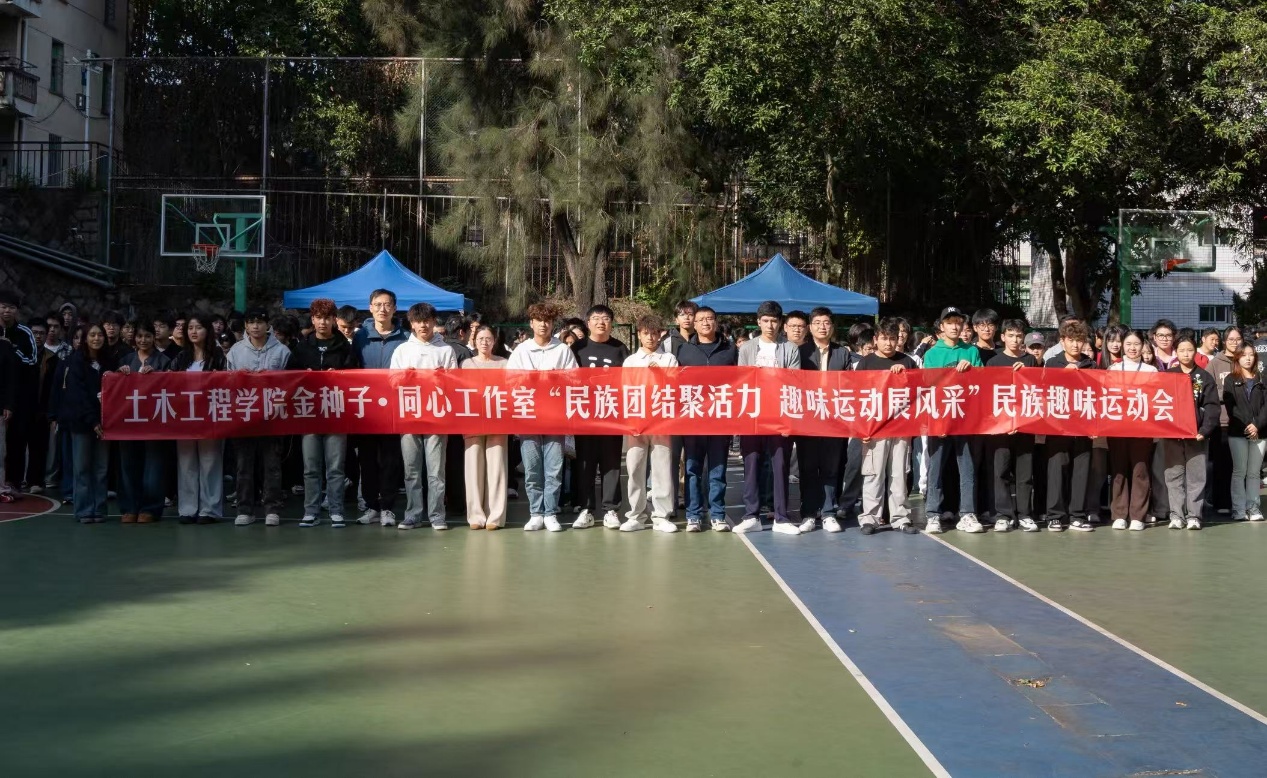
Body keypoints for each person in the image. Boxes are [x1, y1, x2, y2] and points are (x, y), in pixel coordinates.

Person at [508, 303, 578, 531]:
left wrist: (558, 378)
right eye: (539, 320)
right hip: (528, 417)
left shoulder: (562, 350)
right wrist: (528, 378)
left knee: (554, 468)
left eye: (547, 321)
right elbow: (509, 381)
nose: (543, 324)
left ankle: (550, 513)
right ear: (531, 323)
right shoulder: (522, 351)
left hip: (555, 418)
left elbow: (575, 379)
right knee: (532, 467)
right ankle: (535, 513)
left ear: (553, 324)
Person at [736, 300, 803, 534]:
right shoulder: (747, 348)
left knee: (780, 465)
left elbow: (794, 381)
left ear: (780, 323)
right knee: (751, 464)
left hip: (779, 415)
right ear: (758, 322)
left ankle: (781, 518)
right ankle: (751, 515)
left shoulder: (790, 348)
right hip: (753, 415)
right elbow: (742, 380)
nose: (770, 325)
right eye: (765, 321)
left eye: (774, 321)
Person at [391, 302, 459, 531]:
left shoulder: (446, 350)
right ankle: (413, 514)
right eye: (418, 321)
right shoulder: (402, 350)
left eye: (427, 321)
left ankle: (437, 515)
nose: (423, 325)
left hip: (437, 417)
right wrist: (405, 377)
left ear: (433, 322)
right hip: (409, 416)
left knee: (436, 470)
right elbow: (391, 382)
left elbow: (456, 384)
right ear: (411, 324)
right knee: (411, 470)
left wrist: (443, 379)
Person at [288, 298, 357, 528]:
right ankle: (311, 511)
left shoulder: (345, 346)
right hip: (309, 415)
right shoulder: (302, 347)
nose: (323, 322)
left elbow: (355, 375)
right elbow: (289, 376)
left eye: (327, 318)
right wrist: (303, 375)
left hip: (336, 414)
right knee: (311, 467)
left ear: (334, 320)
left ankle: (336, 510)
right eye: (318, 318)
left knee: (336, 467)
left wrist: (339, 375)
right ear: (312, 319)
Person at [920, 307, 983, 534]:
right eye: (950, 322)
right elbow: (928, 387)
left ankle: (967, 514)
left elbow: (983, 383)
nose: (955, 326)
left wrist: (971, 370)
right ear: (942, 327)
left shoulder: (971, 351)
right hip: (939, 419)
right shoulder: (932, 354)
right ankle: (932, 515)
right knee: (935, 469)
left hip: (965, 420)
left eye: (958, 322)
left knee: (967, 468)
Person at [227, 307, 291, 526]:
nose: (255, 326)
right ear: (246, 325)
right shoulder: (235, 351)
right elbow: (227, 383)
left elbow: (290, 383)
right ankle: (245, 509)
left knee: (272, 465)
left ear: (267, 325)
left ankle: (272, 508)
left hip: (273, 418)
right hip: (244, 417)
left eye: (260, 322)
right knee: (244, 465)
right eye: (251, 322)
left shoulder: (282, 351)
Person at [676, 305, 738, 532]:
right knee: (692, 468)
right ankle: (693, 514)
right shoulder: (683, 350)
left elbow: (740, 381)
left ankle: (717, 514)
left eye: (710, 318)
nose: (705, 323)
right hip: (692, 419)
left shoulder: (730, 350)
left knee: (718, 470)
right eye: (701, 319)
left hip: (721, 419)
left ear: (716, 322)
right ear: (694, 324)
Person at [351, 289, 410, 527]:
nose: (382, 309)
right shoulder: (360, 336)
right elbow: (351, 367)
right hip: (366, 408)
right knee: (366, 460)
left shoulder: (406, 337)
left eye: (387, 305)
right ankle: (371, 506)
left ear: (394, 308)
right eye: (377, 305)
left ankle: (387, 507)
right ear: (370, 308)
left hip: (394, 408)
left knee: (390, 460)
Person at [856, 318, 918, 535]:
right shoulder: (865, 363)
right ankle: (870, 517)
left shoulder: (908, 362)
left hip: (901, 428)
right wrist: (861, 428)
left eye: (893, 338)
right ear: (875, 339)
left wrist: (905, 376)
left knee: (899, 473)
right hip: (875, 428)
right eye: (884, 338)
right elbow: (857, 397)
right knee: (873, 473)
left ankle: (900, 517)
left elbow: (918, 394)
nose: (889, 343)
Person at [570, 304, 630, 529]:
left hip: (611, 415)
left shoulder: (619, 348)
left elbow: (629, 380)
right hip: (584, 415)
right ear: (588, 323)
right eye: (596, 318)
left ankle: (611, 509)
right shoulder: (578, 348)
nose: (601, 322)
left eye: (605, 318)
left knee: (611, 464)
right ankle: (585, 509)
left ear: (611, 323)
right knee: (585, 463)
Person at [621, 315, 679, 533]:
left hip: (661, 421)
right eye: (646, 333)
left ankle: (661, 515)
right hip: (636, 421)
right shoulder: (630, 361)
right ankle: (636, 515)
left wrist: (661, 375)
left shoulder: (669, 359)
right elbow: (624, 390)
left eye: (655, 333)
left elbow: (676, 387)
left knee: (662, 468)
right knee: (634, 467)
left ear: (660, 335)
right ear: (639, 334)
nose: (651, 337)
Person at [797, 307, 851, 532]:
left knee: (831, 467)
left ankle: (829, 512)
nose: (822, 327)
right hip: (807, 418)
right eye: (818, 323)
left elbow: (850, 384)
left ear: (832, 327)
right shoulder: (800, 351)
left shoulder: (842, 353)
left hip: (833, 418)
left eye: (826, 322)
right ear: (810, 327)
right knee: (808, 467)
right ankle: (809, 513)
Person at [171, 313, 227, 524]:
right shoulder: (180, 357)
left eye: (198, 327)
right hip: (185, 416)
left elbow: (226, 384)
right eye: (190, 328)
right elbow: (167, 382)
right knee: (186, 462)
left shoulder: (218, 356)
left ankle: (209, 509)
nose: (194, 332)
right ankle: (187, 509)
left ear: (207, 331)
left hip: (210, 415)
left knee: (210, 461)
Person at [115, 321, 171, 524]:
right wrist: (119, 375)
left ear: (154, 337)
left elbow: (171, 386)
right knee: (128, 464)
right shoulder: (125, 360)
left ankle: (150, 508)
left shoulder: (164, 361)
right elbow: (114, 389)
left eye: (147, 336)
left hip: (155, 421)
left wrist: (157, 376)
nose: (143, 340)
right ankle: (130, 507)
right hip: (128, 421)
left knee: (154, 466)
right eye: (139, 336)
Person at [1044, 319, 1097, 532]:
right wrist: (1062, 375)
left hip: (1083, 427)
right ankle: (1055, 516)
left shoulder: (1090, 365)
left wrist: (1095, 426)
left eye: (1079, 340)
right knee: (1057, 469)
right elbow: (1043, 391)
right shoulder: (1052, 363)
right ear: (1063, 341)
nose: (1075, 345)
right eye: (1071, 340)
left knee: (1081, 471)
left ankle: (1077, 515)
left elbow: (1097, 395)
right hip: (1058, 426)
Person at [986, 320, 1040, 532]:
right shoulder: (993, 362)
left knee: (1025, 473)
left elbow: (1038, 389)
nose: (1015, 340)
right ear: (1003, 337)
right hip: (1001, 427)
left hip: (1025, 425)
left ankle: (1025, 514)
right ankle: (1003, 514)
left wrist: (1027, 372)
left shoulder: (1031, 360)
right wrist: (1002, 423)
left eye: (1018, 336)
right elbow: (989, 396)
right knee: (1001, 471)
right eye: (1011, 335)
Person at [1163, 335, 1219, 531]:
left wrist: (1204, 430)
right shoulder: (1168, 375)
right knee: (1173, 475)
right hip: (1172, 436)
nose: (1186, 354)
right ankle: (1176, 515)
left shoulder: (1204, 377)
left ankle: (1194, 515)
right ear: (1175, 353)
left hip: (1197, 435)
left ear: (1195, 351)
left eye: (1189, 350)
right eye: (1181, 350)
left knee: (1196, 476)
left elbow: (1212, 407)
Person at [63, 323, 115, 524]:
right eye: (92, 335)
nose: (96, 338)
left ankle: (99, 509)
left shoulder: (108, 361)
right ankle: (84, 510)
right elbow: (78, 395)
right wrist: (92, 420)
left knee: (101, 469)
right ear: (85, 338)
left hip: (106, 423)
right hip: (82, 423)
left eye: (100, 335)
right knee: (82, 468)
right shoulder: (76, 361)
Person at [1106, 330, 1156, 531]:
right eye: (1128, 344)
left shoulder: (1151, 371)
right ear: (1122, 346)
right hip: (1117, 427)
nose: (1132, 348)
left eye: (1136, 344)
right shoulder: (1113, 369)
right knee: (1118, 470)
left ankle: (1138, 515)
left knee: (1140, 470)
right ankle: (1119, 514)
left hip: (1142, 428)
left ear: (1143, 346)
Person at [461, 325, 509, 529]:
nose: (484, 342)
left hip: (498, 420)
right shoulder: (466, 364)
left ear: (494, 341)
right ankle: (476, 516)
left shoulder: (504, 363)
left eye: (488, 338)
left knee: (497, 467)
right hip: (472, 420)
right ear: (474, 340)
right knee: (473, 467)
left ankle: (495, 516)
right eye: (480, 338)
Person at [1223, 344, 1266, 522]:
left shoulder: (1262, 378)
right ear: (1237, 358)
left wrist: (1257, 425)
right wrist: (1248, 425)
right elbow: (1231, 406)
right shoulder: (1230, 379)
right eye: (1244, 355)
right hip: (1237, 431)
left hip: (1260, 432)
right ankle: (1239, 509)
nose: (1248, 358)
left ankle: (1253, 507)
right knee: (1239, 471)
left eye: (1251, 355)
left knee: (1254, 472)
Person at [1206, 326, 1241, 515]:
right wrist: (1230, 392)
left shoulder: (1245, 360)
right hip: (1223, 422)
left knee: (1240, 466)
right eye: (1231, 339)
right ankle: (1221, 502)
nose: (1235, 343)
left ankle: (1239, 502)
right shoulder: (1214, 363)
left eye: (1238, 339)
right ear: (1225, 341)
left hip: (1243, 422)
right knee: (1222, 464)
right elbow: (1207, 389)